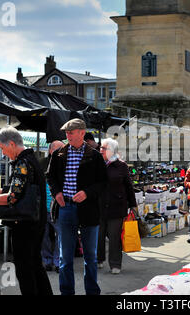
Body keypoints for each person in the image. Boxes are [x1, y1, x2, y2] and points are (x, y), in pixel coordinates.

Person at [0, 126, 53, 296]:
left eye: (2, 148)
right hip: (35, 223)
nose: (3, 153)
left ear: (12, 144)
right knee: (35, 266)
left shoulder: (23, 163)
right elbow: (14, 191)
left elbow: (12, 197)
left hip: (25, 225)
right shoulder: (30, 160)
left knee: (24, 269)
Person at [46, 118, 107, 295]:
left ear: (82, 133)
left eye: (70, 133)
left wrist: (87, 193)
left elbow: (103, 182)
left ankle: (92, 292)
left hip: (88, 209)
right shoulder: (59, 154)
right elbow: (50, 176)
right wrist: (57, 193)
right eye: (66, 133)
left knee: (90, 257)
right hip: (65, 208)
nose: (67, 136)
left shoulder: (94, 155)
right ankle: (66, 292)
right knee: (65, 258)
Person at [97, 138, 137, 274]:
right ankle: (98, 259)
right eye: (101, 148)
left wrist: (133, 205)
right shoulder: (96, 164)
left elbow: (128, 187)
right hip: (99, 206)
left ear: (112, 151)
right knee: (98, 236)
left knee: (114, 237)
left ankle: (115, 264)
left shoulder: (121, 166)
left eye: (104, 148)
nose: (100, 150)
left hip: (116, 207)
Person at [41, 140, 64, 273]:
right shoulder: (42, 164)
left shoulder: (67, 163)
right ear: (50, 150)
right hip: (43, 207)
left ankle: (57, 261)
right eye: (58, 149)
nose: (62, 151)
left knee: (60, 235)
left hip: (59, 207)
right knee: (43, 236)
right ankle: (47, 260)